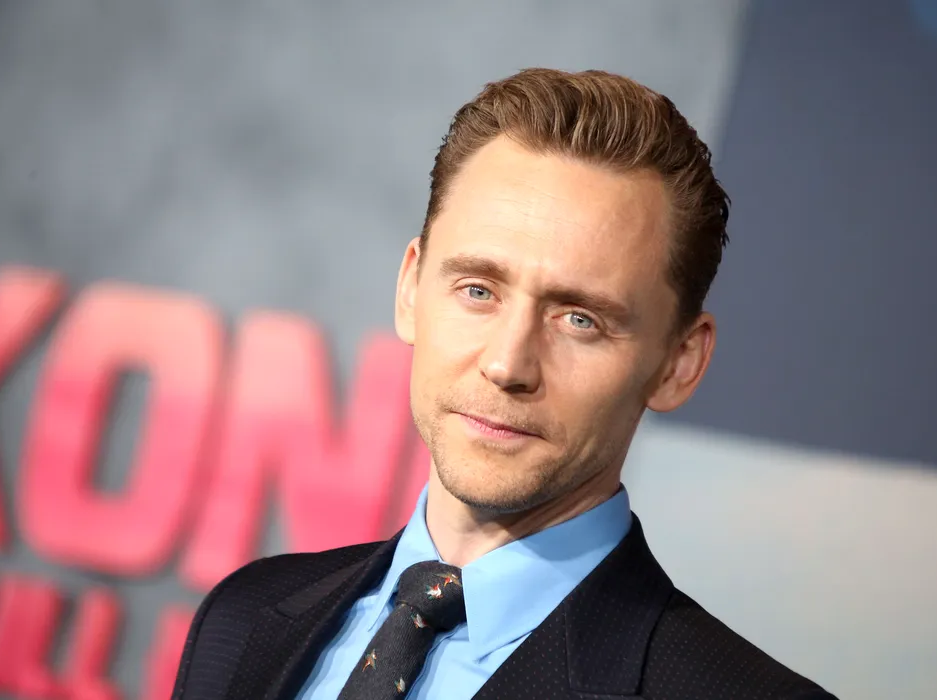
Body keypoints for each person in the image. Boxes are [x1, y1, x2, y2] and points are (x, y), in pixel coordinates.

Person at [170, 68, 838, 700]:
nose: (508, 364)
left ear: (678, 363)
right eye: (478, 290)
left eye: (580, 319)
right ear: (411, 288)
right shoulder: (243, 617)